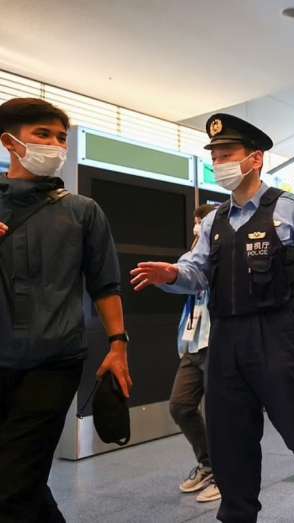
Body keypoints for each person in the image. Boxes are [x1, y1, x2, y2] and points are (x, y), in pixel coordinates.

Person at [130, 113, 294, 523]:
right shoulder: (213, 221)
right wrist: (172, 274)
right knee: (230, 440)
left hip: (276, 337)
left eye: (226, 153)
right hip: (224, 340)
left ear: (255, 159)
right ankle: (236, 513)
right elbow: (196, 271)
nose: (219, 162)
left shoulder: (292, 210)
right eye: (214, 155)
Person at [0, 98, 132, 521]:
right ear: (10, 142)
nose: (56, 145)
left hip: (54, 361)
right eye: (43, 134)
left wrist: (118, 344)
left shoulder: (82, 212)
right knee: (24, 481)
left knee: (14, 484)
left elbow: (105, 284)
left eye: (62, 137)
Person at [170, 203, 220, 503]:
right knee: (180, 405)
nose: (197, 226)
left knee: (219, 415)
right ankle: (207, 463)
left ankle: (225, 475)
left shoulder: (223, 249)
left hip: (218, 341)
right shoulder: (192, 255)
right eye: (196, 221)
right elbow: (182, 277)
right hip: (192, 342)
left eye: (202, 221)